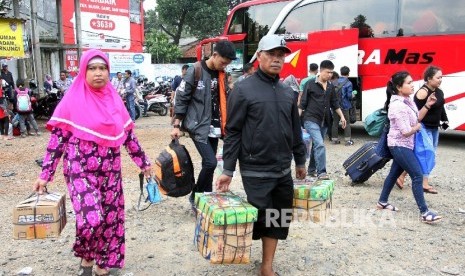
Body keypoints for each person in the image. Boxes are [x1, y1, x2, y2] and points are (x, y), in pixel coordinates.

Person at [32, 49, 152, 276]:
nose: (98, 73)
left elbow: (128, 136)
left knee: (110, 218)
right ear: (83, 71)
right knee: (91, 218)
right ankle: (87, 256)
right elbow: (57, 142)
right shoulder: (72, 101)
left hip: (111, 171)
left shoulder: (115, 101)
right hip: (80, 170)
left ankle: (102, 263)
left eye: (103, 68)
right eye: (92, 68)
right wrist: (45, 175)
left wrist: (144, 164)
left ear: (109, 71)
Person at [216, 34, 307, 276]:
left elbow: (295, 129)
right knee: (260, 215)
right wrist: (227, 169)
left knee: (278, 216)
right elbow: (233, 131)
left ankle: (267, 266)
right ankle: (236, 252)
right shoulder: (243, 89)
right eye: (271, 55)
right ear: (259, 56)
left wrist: (300, 160)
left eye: (281, 56)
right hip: (255, 166)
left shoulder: (289, 92)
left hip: (282, 167)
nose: (277, 60)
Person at [171, 40, 237, 211]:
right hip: (198, 125)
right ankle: (196, 195)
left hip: (215, 126)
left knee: (208, 163)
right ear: (214, 55)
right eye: (223, 62)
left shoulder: (222, 74)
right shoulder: (196, 69)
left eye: (227, 64)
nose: (224, 66)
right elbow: (182, 97)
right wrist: (176, 124)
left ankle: (205, 198)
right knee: (210, 162)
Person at [376, 71, 442, 223]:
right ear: (399, 87)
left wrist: (427, 105)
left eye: (412, 82)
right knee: (418, 175)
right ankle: (425, 213)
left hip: (405, 145)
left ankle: (382, 202)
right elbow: (406, 131)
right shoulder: (398, 106)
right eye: (409, 83)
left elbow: (416, 117)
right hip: (399, 145)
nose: (413, 85)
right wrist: (417, 128)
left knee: (393, 174)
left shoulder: (407, 101)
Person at [395, 65, 448, 194]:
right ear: (429, 79)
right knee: (427, 154)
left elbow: (441, 106)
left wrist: (445, 120)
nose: (440, 80)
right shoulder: (422, 92)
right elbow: (414, 111)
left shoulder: (439, 91)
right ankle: (424, 183)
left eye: (441, 77)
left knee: (424, 154)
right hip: (423, 127)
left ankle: (401, 175)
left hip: (434, 128)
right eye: (438, 77)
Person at [299, 60, 346, 180]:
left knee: (316, 144)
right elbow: (303, 103)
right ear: (320, 71)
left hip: (325, 121)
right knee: (320, 144)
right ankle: (322, 172)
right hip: (310, 119)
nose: (330, 75)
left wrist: (342, 116)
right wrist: (296, 120)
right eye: (327, 72)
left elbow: (334, 103)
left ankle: (311, 170)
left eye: (331, 72)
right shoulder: (310, 84)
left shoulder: (330, 86)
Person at [331, 66, 354, 146]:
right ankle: (347, 140)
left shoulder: (334, 82)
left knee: (335, 122)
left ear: (340, 72)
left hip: (335, 106)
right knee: (346, 122)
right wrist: (353, 95)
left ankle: (334, 140)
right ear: (348, 73)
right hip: (345, 106)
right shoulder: (348, 83)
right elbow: (349, 96)